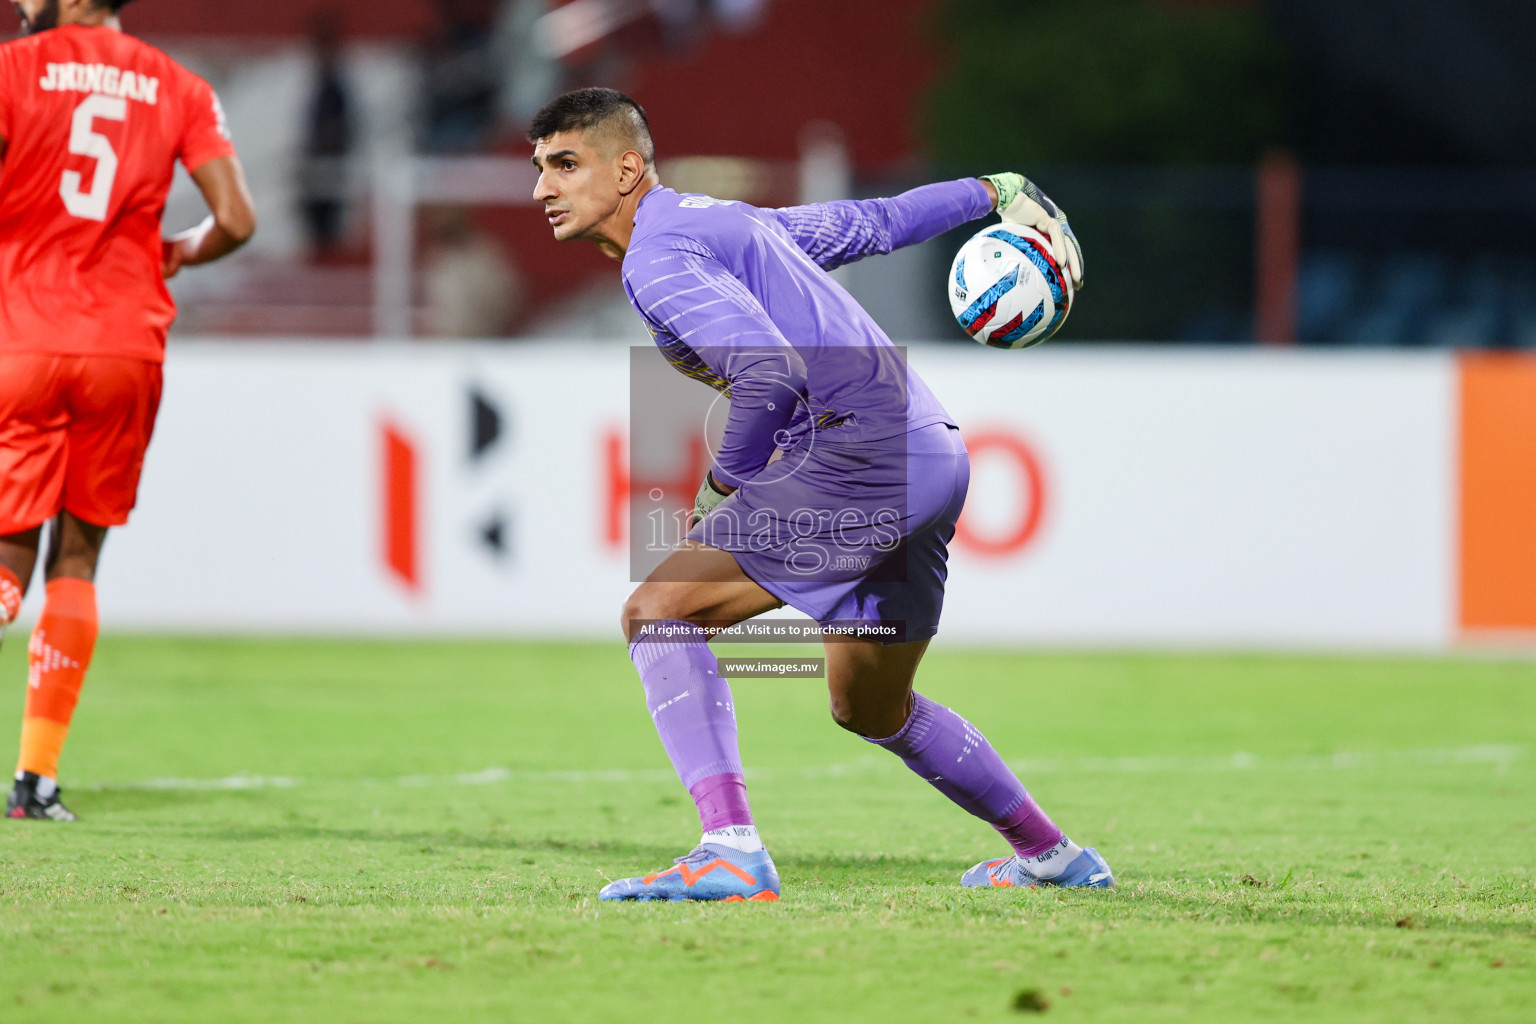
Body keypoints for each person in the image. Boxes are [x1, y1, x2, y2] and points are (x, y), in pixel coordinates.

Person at [528, 87, 1112, 900]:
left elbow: (766, 374)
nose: (542, 188)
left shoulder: (655, 257)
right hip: (929, 453)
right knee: (871, 706)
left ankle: (729, 849)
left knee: (656, 610)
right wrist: (995, 191)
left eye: (564, 164)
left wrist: (721, 486)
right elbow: (876, 223)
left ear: (627, 169)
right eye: (539, 168)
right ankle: (1054, 857)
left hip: (859, 455)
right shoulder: (730, 226)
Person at [0, 0, 257, 820]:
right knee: (78, 562)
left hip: (24, 338)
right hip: (123, 347)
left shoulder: (11, 69)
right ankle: (35, 782)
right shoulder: (179, 85)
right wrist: (179, 250)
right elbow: (239, 220)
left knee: (9, 558)